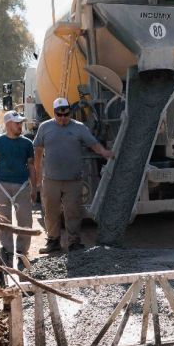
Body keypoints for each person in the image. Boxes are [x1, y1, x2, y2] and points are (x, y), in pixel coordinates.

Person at [33, 97, 114, 253]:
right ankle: (53, 241)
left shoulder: (79, 128)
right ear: (54, 112)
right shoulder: (45, 127)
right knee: (51, 212)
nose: (63, 118)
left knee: (73, 212)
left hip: (73, 180)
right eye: (59, 115)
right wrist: (38, 174)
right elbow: (38, 151)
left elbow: (93, 144)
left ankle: (74, 242)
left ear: (69, 112)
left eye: (66, 114)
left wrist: (105, 153)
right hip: (51, 180)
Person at [0, 111, 37, 266]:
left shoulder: (27, 144)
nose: (20, 125)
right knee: (3, 220)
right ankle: (7, 250)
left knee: (25, 221)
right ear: (8, 124)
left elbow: (31, 166)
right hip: (2, 186)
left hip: (22, 187)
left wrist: (34, 188)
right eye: (17, 123)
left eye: (21, 123)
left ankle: (22, 252)